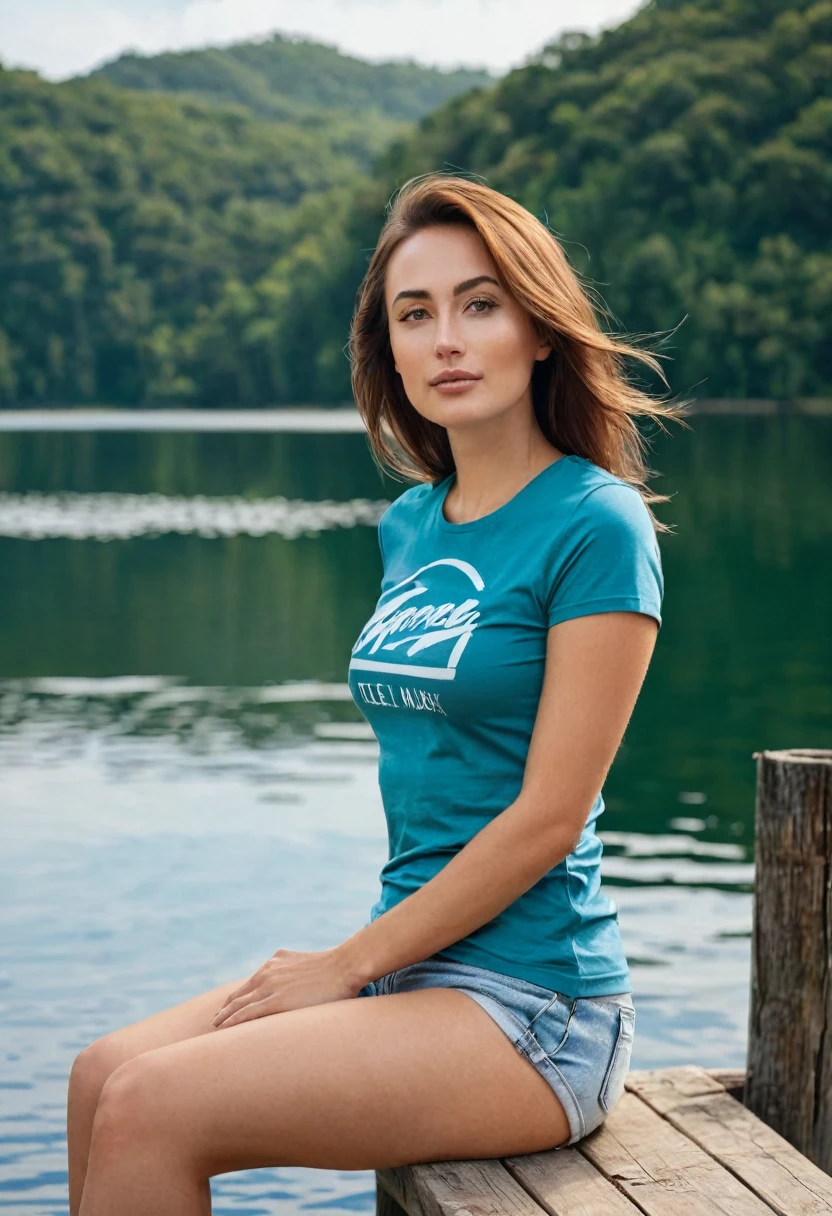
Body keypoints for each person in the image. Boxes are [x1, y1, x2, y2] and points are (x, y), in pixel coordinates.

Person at [66, 173, 686, 1214]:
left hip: (536, 1005)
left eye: (479, 304)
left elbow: (549, 817)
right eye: (416, 313)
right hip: (412, 966)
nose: (446, 337)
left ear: (539, 329)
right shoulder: (410, 524)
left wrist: (345, 964)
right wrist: (369, 964)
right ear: (389, 348)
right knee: (99, 1076)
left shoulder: (596, 523)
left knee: (153, 1106)